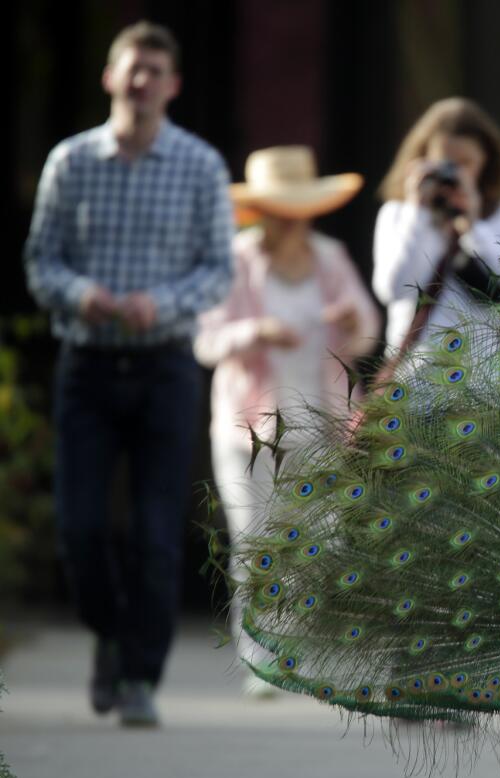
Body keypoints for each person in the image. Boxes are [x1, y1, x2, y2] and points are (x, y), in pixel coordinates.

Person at [24, 21, 234, 726]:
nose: (141, 82)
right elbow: (40, 262)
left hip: (165, 367)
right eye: (131, 69)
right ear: (110, 77)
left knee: (154, 533)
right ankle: (109, 634)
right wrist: (82, 294)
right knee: (80, 528)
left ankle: (140, 673)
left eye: (155, 72)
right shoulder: (70, 162)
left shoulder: (201, 165)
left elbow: (217, 271)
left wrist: (160, 303)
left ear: (172, 85)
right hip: (86, 363)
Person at [194, 146, 380, 695]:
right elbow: (206, 340)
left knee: (317, 539)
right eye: (278, 207)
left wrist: (351, 322)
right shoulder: (236, 260)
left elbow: (366, 330)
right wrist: (256, 332)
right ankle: (258, 657)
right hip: (248, 426)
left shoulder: (329, 257)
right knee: (253, 537)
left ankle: (295, 648)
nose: (288, 218)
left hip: (319, 419)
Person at [373, 98, 500, 379]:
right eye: (446, 164)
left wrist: (474, 228)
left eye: (466, 164)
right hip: (413, 387)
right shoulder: (398, 214)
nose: (455, 174)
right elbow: (392, 289)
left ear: (486, 161)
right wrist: (419, 213)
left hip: (480, 388)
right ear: (423, 159)